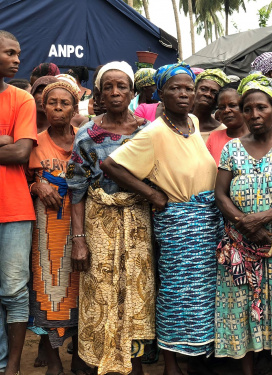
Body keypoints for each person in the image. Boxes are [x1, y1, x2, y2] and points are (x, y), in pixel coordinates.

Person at [100, 62, 221, 375]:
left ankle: (194, 355)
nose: (183, 94)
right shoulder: (154, 132)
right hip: (180, 223)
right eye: (175, 88)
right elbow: (112, 165)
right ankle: (171, 363)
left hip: (205, 221)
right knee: (176, 294)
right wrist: (152, 195)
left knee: (201, 296)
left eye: (188, 88)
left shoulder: (192, 121)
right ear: (160, 93)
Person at [213, 73, 272, 375]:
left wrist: (264, 218)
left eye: (262, 108)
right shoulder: (232, 148)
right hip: (241, 248)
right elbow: (220, 194)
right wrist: (244, 224)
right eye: (248, 108)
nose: (254, 114)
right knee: (240, 310)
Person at [66, 61, 155, 375]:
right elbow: (76, 189)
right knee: (99, 294)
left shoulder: (148, 132)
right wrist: (79, 240)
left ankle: (134, 363)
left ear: (132, 92)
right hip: (98, 222)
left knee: (137, 293)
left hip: (139, 223)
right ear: (100, 94)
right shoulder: (87, 135)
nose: (115, 92)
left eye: (122, 86)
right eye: (108, 86)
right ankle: (97, 362)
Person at [27, 77, 92, 375]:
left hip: (80, 224)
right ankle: (54, 360)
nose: (57, 108)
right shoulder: (34, 141)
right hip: (46, 233)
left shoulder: (85, 138)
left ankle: (78, 354)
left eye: (64, 103)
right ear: (43, 106)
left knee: (79, 288)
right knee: (48, 291)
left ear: (74, 107)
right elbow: (20, 179)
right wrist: (37, 185)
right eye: (51, 103)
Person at [0, 30, 37, 375]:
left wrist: (11, 144)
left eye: (18, 54)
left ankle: (12, 366)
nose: (17, 59)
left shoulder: (22, 99)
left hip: (13, 208)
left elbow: (21, 151)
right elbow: (8, 149)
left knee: (13, 289)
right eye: (10, 53)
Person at [206, 82, 248, 165]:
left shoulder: (256, 137)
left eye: (232, 105)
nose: (226, 110)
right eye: (222, 107)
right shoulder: (214, 137)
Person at [192, 68, 230, 141]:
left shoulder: (222, 131)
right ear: (195, 90)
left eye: (214, 92)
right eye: (203, 89)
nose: (207, 94)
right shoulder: (179, 123)